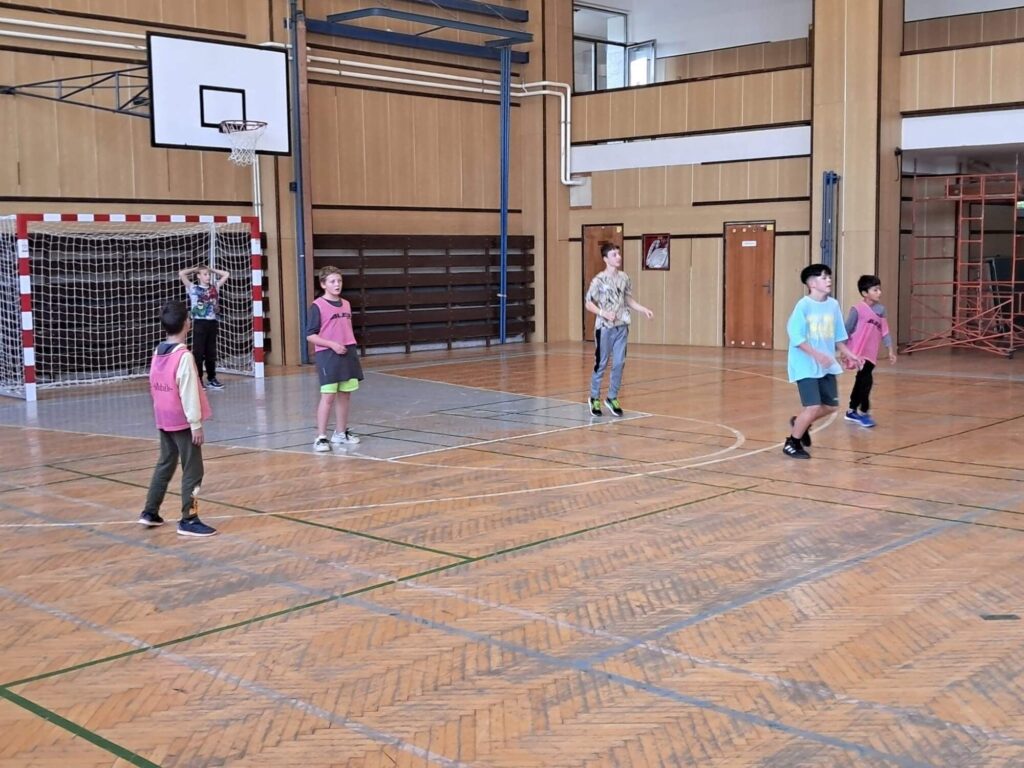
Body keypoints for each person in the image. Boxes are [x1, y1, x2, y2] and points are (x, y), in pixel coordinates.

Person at [138, 300, 218, 537]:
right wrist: (196, 424)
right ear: (187, 324)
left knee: (165, 463)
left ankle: (150, 511)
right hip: (182, 421)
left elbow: (154, 385)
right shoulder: (183, 356)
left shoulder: (158, 352)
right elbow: (189, 392)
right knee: (193, 470)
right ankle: (189, 519)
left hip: (163, 418)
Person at [784, 263, 861, 459]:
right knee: (812, 407)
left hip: (826, 365)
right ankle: (792, 443)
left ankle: (800, 422)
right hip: (805, 364)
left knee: (831, 406)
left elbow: (838, 336)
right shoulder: (803, 306)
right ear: (811, 283)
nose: (829, 280)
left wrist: (849, 354)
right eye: (824, 277)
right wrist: (816, 355)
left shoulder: (833, 305)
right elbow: (796, 337)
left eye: (829, 277)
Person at [584, 243, 654, 417]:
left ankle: (612, 397)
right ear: (605, 259)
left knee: (619, 363)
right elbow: (588, 303)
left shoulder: (624, 278)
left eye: (618, 254)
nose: (618, 257)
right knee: (601, 363)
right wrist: (603, 313)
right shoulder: (599, 280)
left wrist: (643, 309)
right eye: (614, 255)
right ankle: (594, 397)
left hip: (621, 327)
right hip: (604, 328)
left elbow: (628, 300)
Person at [306, 266, 364, 452]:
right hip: (328, 354)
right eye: (332, 281)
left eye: (339, 281)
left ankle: (340, 433)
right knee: (328, 396)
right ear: (323, 284)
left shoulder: (346, 304)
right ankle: (321, 437)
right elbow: (310, 335)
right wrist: (332, 344)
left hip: (347, 352)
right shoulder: (317, 306)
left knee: (345, 394)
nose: (337, 284)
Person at [844, 274, 897, 428]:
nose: (879, 292)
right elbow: (847, 330)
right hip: (858, 351)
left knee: (861, 379)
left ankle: (852, 410)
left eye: (879, 289)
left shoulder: (881, 310)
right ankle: (863, 411)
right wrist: (844, 350)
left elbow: (885, 331)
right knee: (866, 380)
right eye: (875, 290)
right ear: (864, 293)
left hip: (871, 351)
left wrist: (890, 350)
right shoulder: (857, 309)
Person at [179, 263, 230, 390]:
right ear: (198, 276)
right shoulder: (193, 288)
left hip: (212, 323)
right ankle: (198, 379)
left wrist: (211, 269)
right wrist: (196, 269)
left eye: (209, 274)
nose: (208, 276)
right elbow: (181, 274)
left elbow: (226, 274)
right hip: (199, 323)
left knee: (211, 353)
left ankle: (212, 378)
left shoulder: (215, 287)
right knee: (198, 353)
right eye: (205, 274)